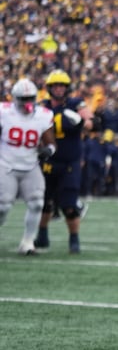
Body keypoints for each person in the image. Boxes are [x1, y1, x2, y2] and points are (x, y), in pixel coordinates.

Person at [35, 70, 93, 254]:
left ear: (67, 88)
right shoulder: (42, 106)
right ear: (50, 88)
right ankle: (42, 235)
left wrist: (82, 123)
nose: (59, 89)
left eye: (62, 86)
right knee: (43, 202)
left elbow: (92, 121)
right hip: (48, 161)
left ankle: (74, 238)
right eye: (56, 85)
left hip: (69, 162)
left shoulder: (76, 104)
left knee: (69, 205)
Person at [0, 79, 56, 256]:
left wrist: (48, 150)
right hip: (6, 165)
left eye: (30, 98)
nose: (27, 103)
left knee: (37, 203)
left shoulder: (43, 115)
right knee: (3, 207)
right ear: (15, 98)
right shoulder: (4, 112)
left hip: (31, 166)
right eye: (23, 99)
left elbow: (51, 142)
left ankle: (27, 243)